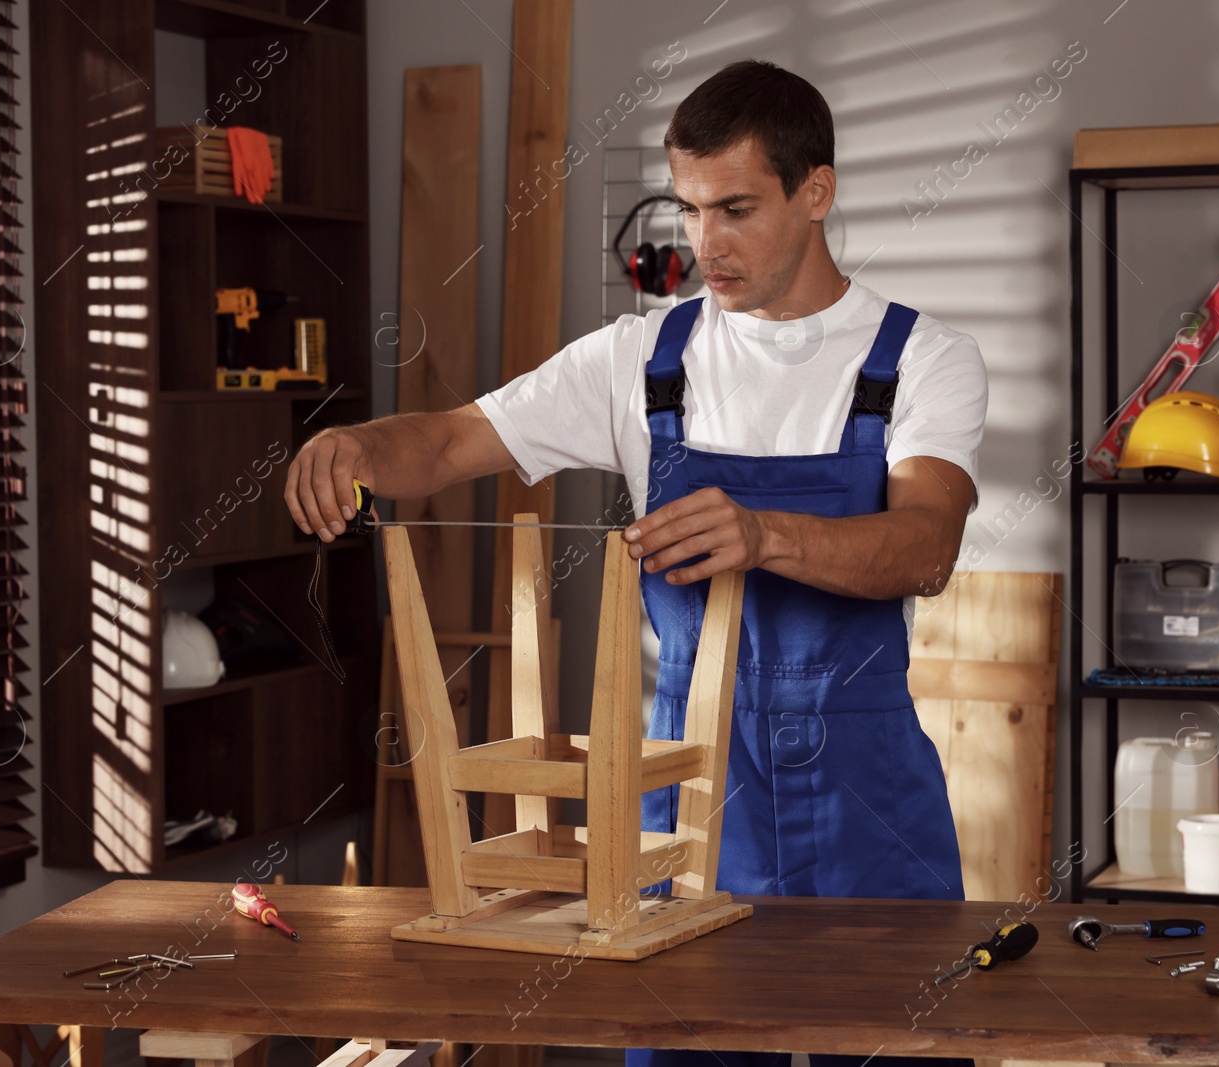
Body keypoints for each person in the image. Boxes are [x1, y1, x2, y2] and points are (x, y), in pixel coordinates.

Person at [285, 59, 985, 1067]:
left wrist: (765, 533)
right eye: (690, 209)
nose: (706, 245)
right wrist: (352, 445)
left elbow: (928, 543)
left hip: (867, 794)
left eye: (736, 209)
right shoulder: (636, 359)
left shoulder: (922, 357)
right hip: (682, 792)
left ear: (815, 192)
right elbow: (442, 441)